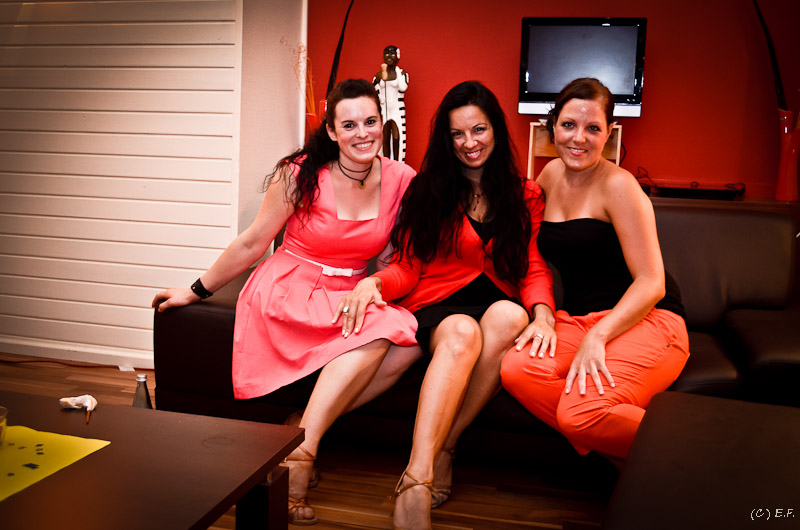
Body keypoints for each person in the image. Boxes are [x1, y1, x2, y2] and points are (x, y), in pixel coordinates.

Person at [152, 79, 422, 526]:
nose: (362, 133)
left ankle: (299, 430)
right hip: (291, 286)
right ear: (331, 131)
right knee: (378, 336)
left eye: (370, 121)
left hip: (349, 290)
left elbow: (396, 260)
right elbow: (254, 241)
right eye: (349, 125)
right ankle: (302, 457)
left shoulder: (402, 179)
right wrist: (196, 290)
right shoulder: (298, 173)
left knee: (406, 344)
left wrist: (376, 285)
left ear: (382, 123)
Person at [336, 81, 556, 529]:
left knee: (511, 315)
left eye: (479, 129)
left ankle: (445, 447)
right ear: (446, 138)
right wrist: (375, 283)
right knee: (461, 330)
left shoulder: (526, 194)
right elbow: (407, 266)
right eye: (457, 133)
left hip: (495, 302)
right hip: (439, 304)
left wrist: (544, 314)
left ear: (496, 130)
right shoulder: (428, 190)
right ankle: (417, 478)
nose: (469, 143)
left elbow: (533, 265)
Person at [500, 77, 690, 462]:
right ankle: (608, 439)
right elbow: (530, 256)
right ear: (552, 127)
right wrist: (543, 314)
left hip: (649, 318)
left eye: (593, 128)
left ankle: (702, 456)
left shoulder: (620, 186)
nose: (579, 138)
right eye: (569, 125)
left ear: (609, 133)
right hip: (582, 319)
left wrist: (598, 336)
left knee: (577, 415)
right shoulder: (549, 176)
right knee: (516, 370)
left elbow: (652, 282)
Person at [373, 45, 409, 162]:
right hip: (384, 110)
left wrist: (398, 72)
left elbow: (403, 87)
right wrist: (380, 98)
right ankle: (385, 163)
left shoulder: (402, 74)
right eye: (387, 54)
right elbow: (375, 92)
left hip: (397, 110)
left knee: (397, 137)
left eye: (392, 54)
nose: (389, 56)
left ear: (398, 56)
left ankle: (398, 164)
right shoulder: (378, 76)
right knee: (384, 138)